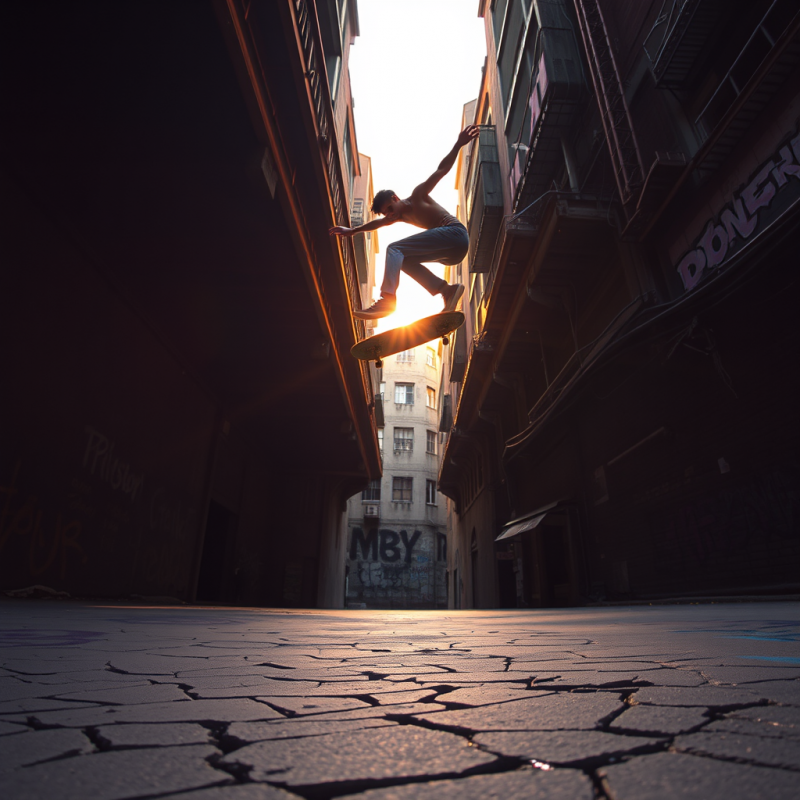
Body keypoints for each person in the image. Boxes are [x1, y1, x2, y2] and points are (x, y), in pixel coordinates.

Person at [329, 125, 479, 320]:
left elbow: (441, 170)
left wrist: (458, 144)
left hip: (455, 234)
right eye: (387, 214)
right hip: (451, 255)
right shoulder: (397, 216)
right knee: (404, 260)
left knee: (394, 248)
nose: (390, 216)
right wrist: (352, 231)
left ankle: (388, 299)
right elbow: (376, 224)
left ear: (395, 198)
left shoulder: (418, 196)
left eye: (390, 209)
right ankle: (447, 290)